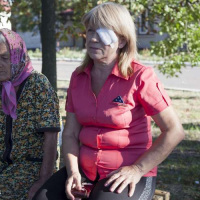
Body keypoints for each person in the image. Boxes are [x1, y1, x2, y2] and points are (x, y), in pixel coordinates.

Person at [33, 2, 185, 200]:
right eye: (90, 30)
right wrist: (73, 172)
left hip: (128, 173)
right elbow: (70, 133)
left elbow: (175, 131)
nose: (93, 38)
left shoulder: (140, 77)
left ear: (121, 41)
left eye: (103, 32)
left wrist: (137, 169)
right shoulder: (78, 77)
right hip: (85, 171)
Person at [0, 28, 61, 200]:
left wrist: (44, 179)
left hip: (32, 165)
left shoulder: (39, 86)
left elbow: (51, 136)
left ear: (17, 57)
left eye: (5, 58)